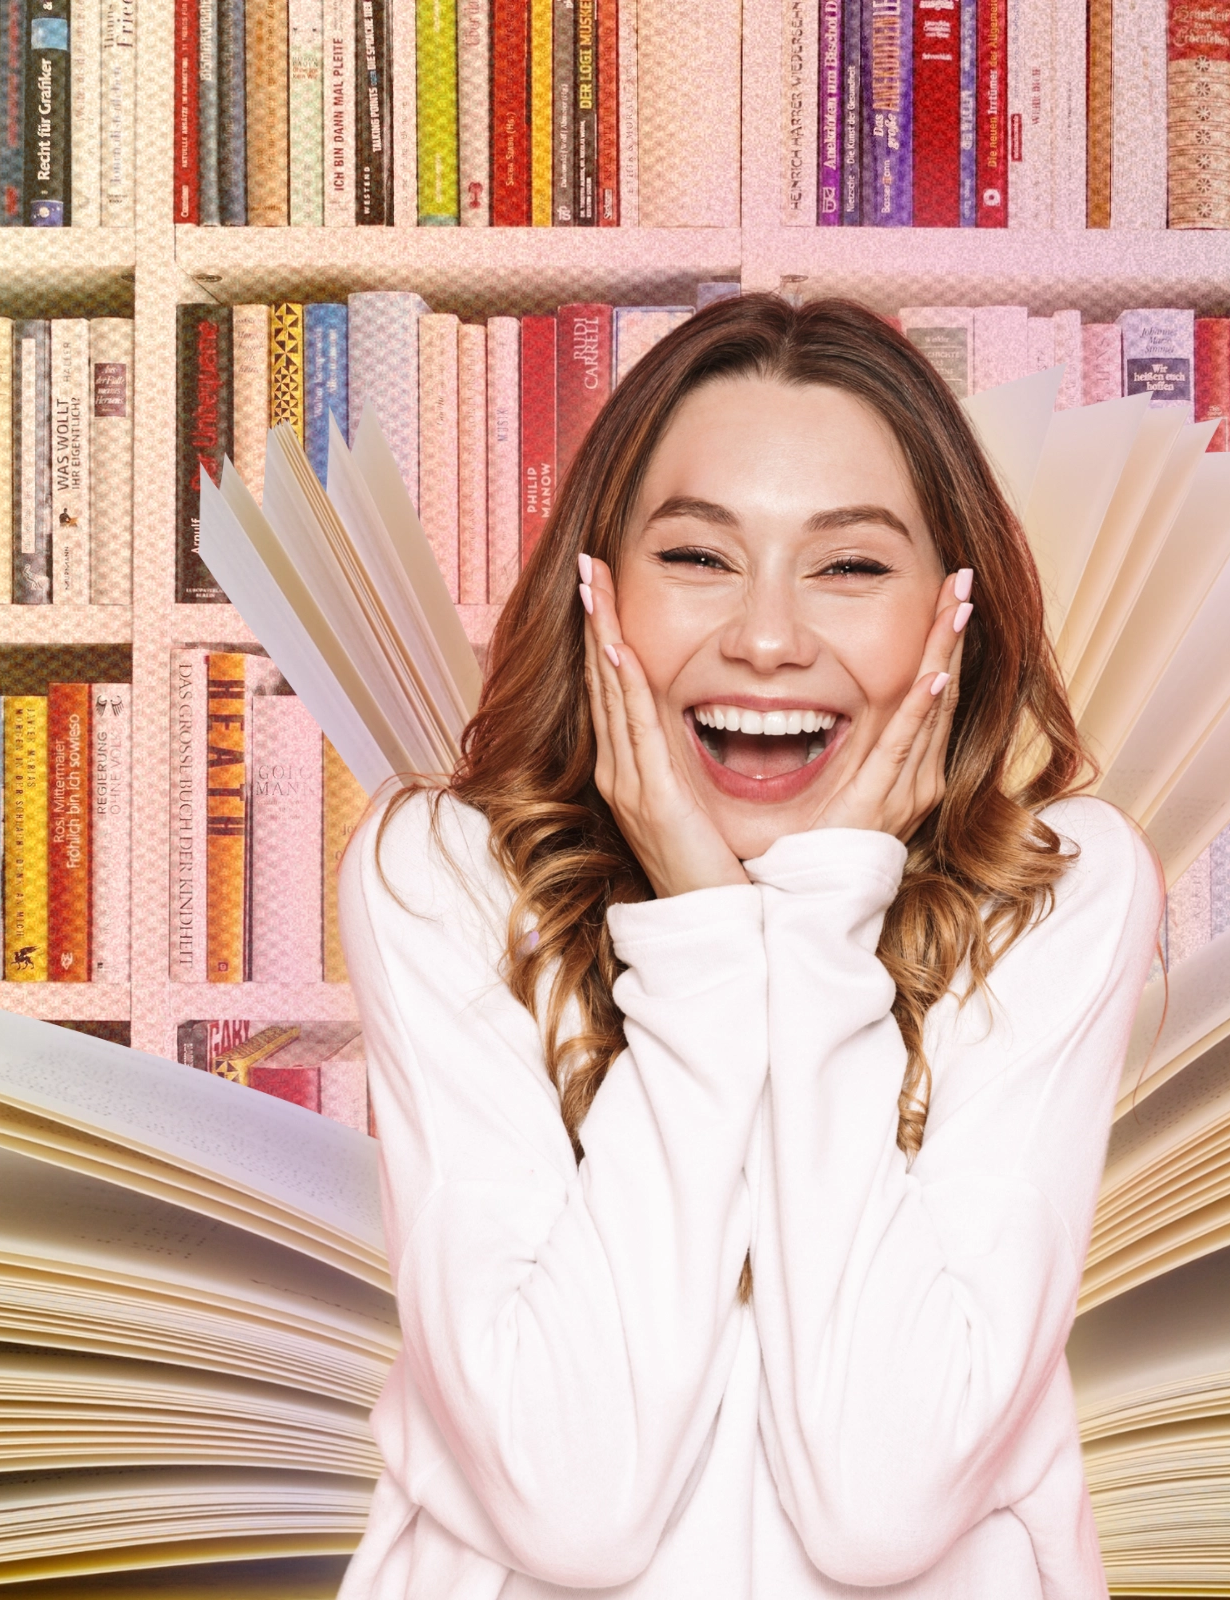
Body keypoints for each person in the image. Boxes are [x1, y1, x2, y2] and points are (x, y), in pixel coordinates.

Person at [337, 294, 1163, 1598]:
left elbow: (880, 1511)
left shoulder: (1057, 895)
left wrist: (828, 922)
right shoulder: (444, 874)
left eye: (848, 567)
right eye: (699, 558)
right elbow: (572, 1509)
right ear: (595, 593)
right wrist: (710, 936)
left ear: (952, 613)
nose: (768, 640)